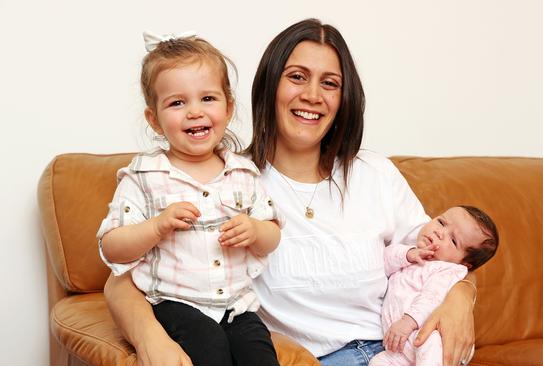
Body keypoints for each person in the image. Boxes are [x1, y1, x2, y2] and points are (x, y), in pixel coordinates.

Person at [104, 19, 478, 366]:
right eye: (297, 77)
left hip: (396, 352)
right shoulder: (234, 182)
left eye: (329, 83)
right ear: (270, 85)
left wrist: (461, 298)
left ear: (343, 98)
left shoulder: (374, 172)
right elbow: (122, 279)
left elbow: (447, 255)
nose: (313, 95)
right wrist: (150, 337)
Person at [97, 31, 282, 366]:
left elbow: (272, 236)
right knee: (208, 347)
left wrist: (255, 230)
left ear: (228, 107)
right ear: (154, 119)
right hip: (174, 303)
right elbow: (112, 247)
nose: (194, 112)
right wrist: (156, 227)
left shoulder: (243, 172)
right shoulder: (144, 176)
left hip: (236, 307)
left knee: (259, 355)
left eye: (207, 98)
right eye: (177, 103)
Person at [370, 206, 499, 366]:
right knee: (378, 361)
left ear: (465, 263)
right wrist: (408, 255)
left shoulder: (447, 270)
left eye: (453, 240)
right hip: (399, 349)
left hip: (433, 339)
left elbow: (430, 299)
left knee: (429, 342)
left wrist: (407, 321)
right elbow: (383, 261)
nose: (440, 232)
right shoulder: (409, 253)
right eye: (441, 222)